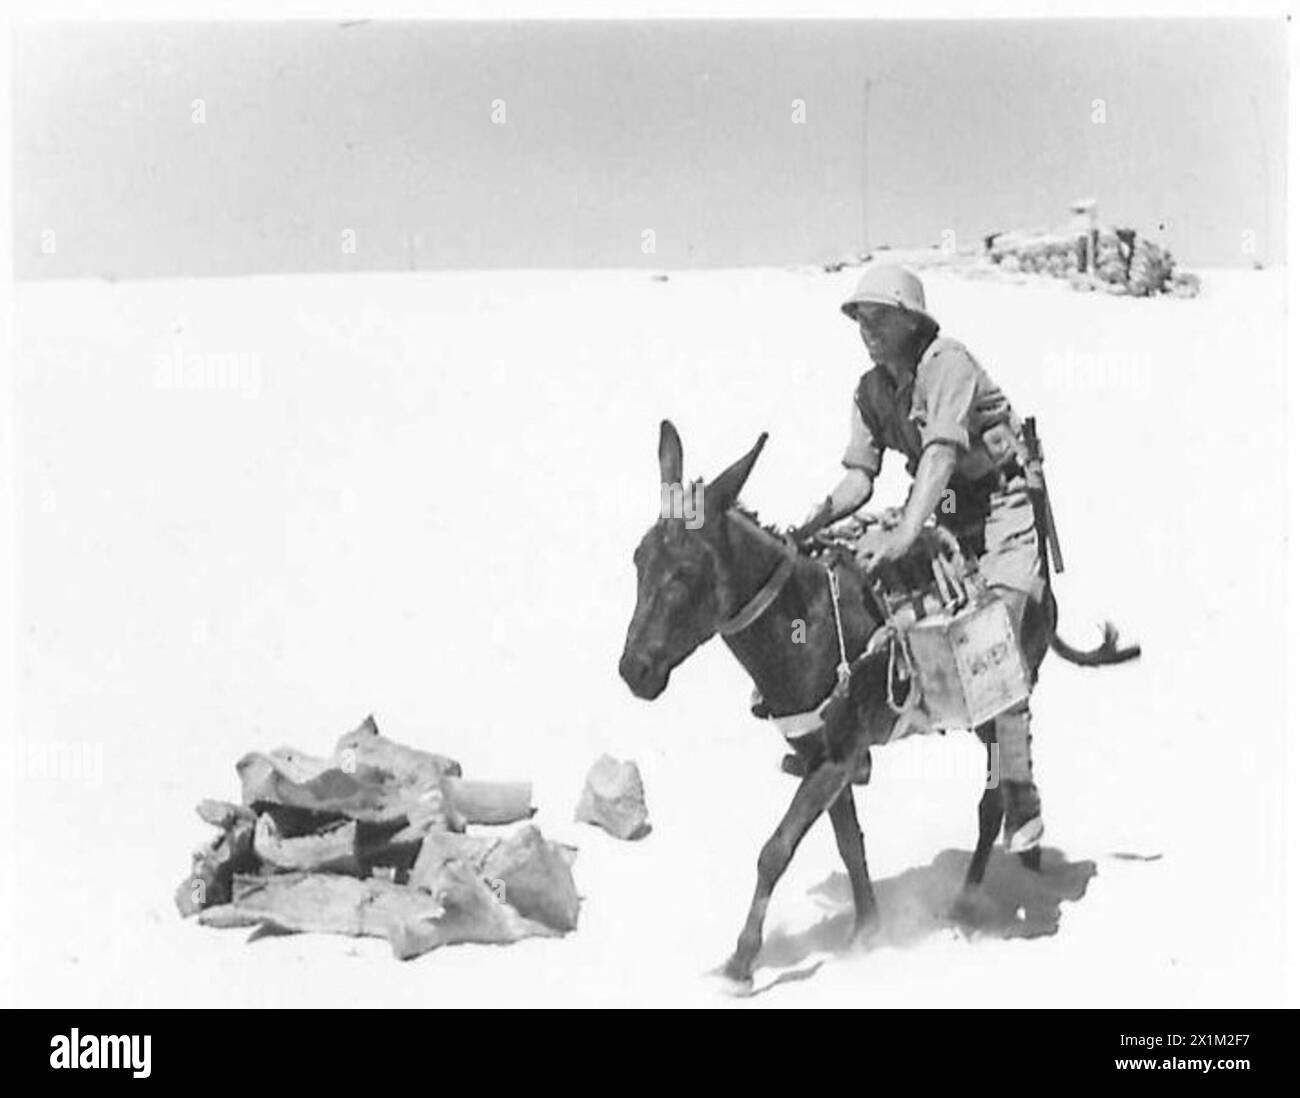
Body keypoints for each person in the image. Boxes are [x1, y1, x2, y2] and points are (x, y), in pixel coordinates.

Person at [804, 264, 1045, 852]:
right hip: (941, 513)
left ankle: (1018, 790)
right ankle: (849, 738)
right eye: (860, 318)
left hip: (999, 509)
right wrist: (810, 523)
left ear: (911, 321)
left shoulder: (948, 364)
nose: (867, 328)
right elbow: (859, 479)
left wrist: (907, 533)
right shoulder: (870, 391)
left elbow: (939, 456)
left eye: (879, 317)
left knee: (995, 636)